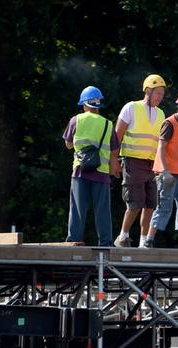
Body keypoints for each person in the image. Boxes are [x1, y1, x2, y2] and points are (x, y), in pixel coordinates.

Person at [113, 74, 166, 248]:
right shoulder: (131, 107)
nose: (160, 97)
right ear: (148, 91)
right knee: (135, 202)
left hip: (151, 165)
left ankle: (144, 241)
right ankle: (123, 236)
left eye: (162, 94)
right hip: (132, 161)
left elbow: (160, 143)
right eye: (158, 93)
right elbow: (117, 135)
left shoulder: (161, 114)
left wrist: (160, 166)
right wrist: (113, 161)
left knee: (150, 203)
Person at [63, 86, 120, 246]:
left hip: (80, 171)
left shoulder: (76, 120)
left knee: (77, 209)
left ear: (84, 104)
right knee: (102, 210)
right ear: (98, 104)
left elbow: (68, 144)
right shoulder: (108, 124)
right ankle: (106, 242)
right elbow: (115, 149)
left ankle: (74, 240)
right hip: (101, 173)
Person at [143, 92, 178, 249]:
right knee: (163, 207)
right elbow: (161, 147)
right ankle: (149, 239)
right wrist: (165, 171)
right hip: (167, 174)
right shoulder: (169, 123)